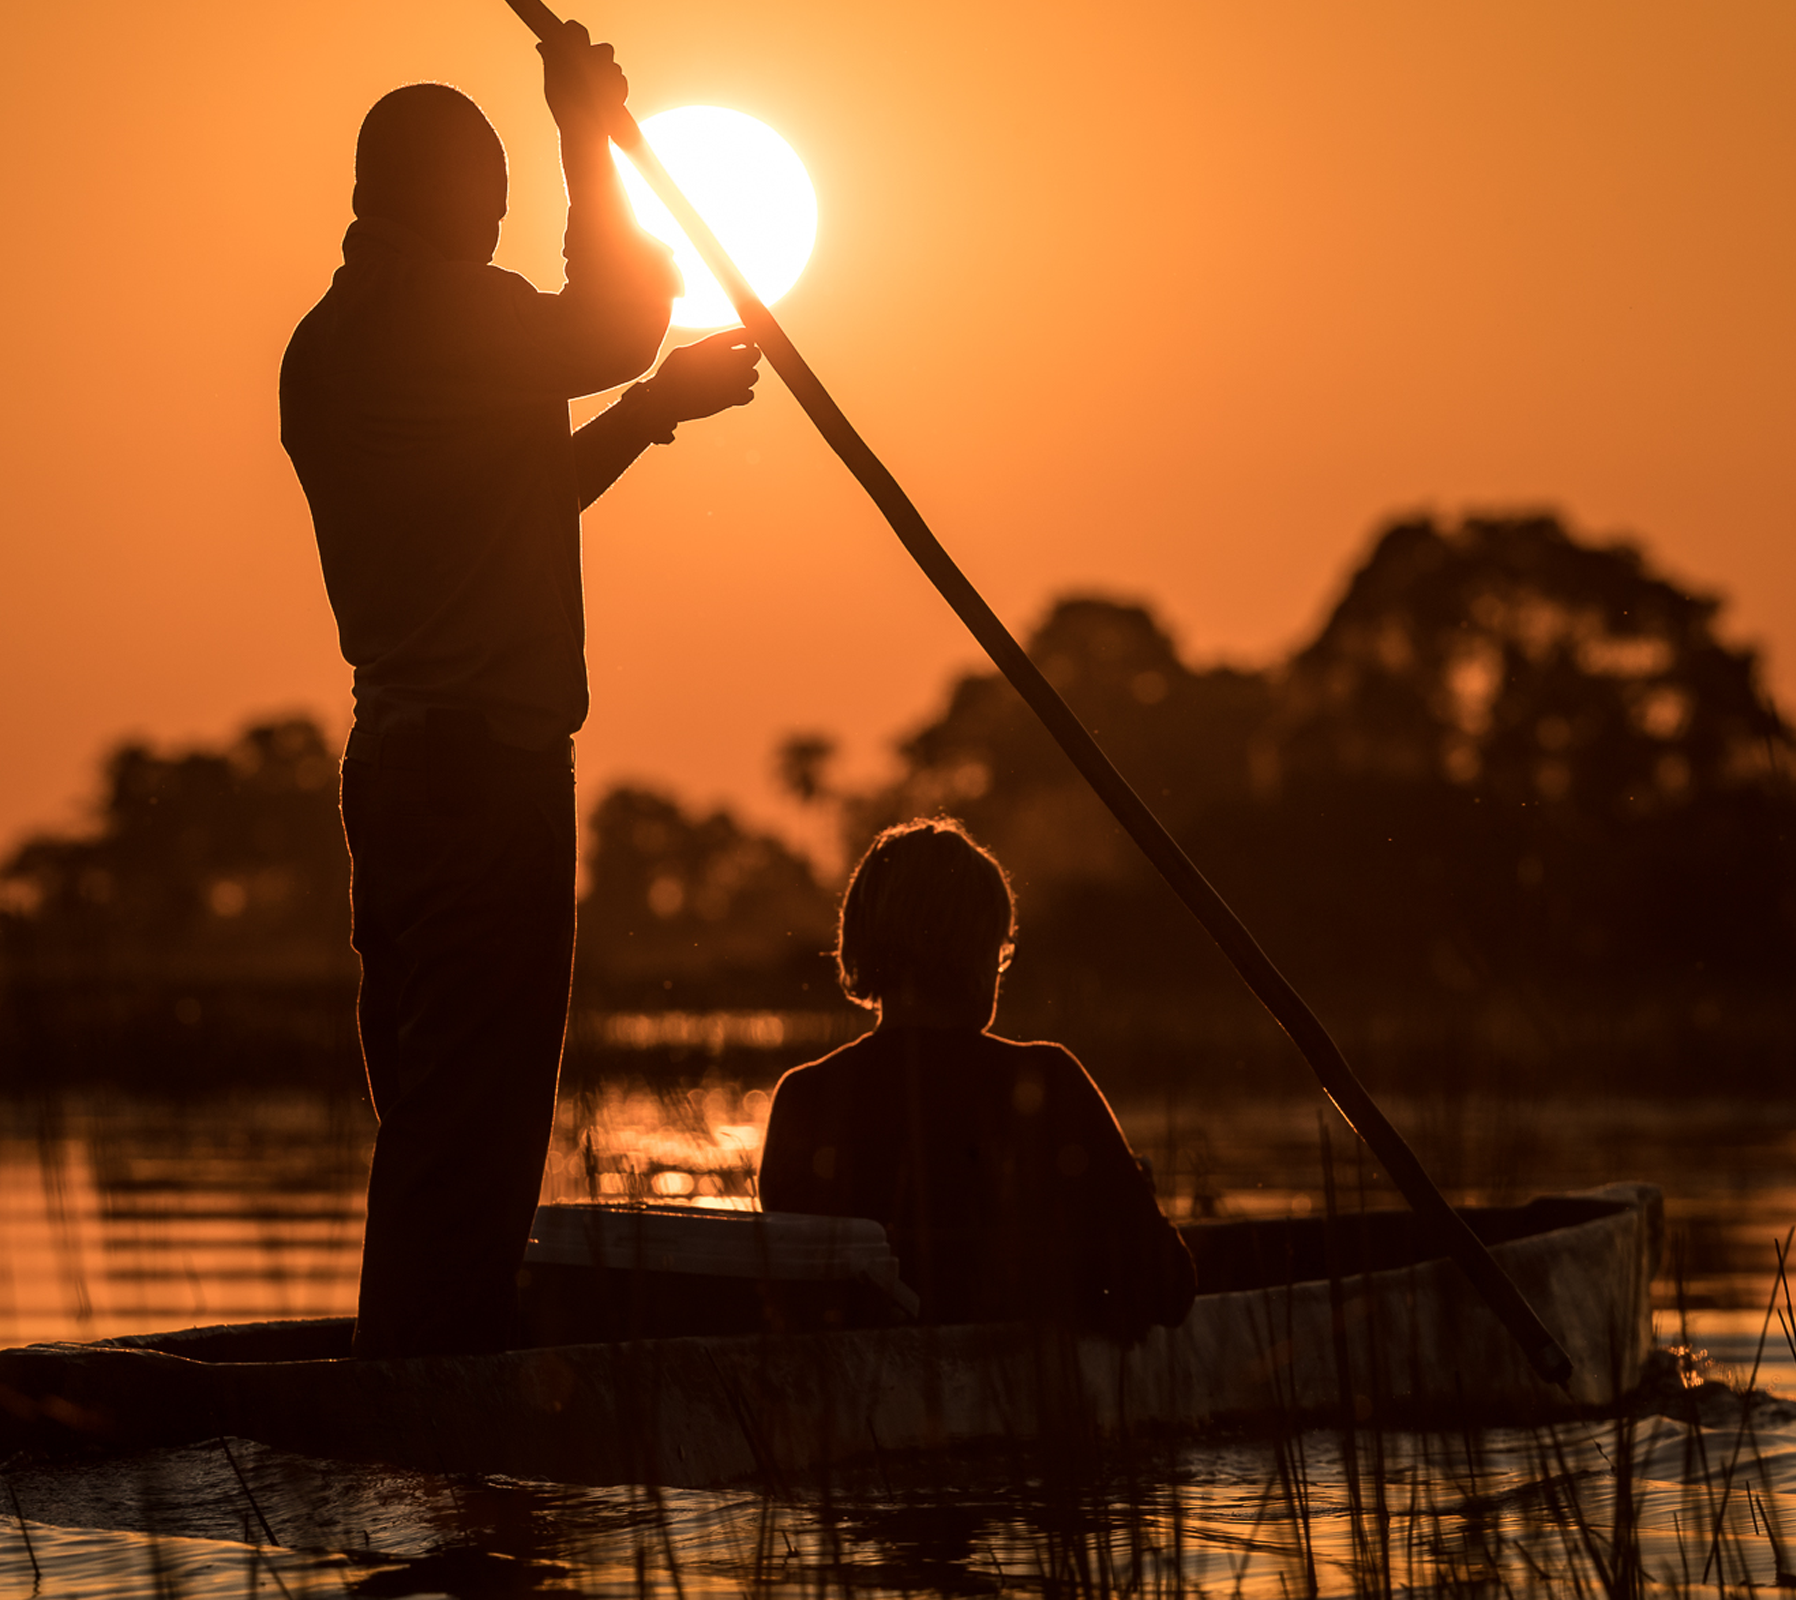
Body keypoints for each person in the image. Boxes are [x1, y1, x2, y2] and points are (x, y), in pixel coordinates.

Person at [279, 22, 762, 1359]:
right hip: (487, 773)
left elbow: (508, 501)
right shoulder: (452, 310)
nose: (503, 216)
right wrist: (584, 130)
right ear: (434, 192)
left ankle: (415, 1380)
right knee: (477, 1117)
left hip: (393, 766)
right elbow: (611, 314)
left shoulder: (330, 347)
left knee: (435, 1112)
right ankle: (437, 1406)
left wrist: (656, 412)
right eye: (489, 187)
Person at [758, 820, 1196, 1341]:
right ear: (981, 949)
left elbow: (792, 1297)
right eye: (999, 947)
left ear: (862, 944)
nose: (1000, 966)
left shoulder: (805, 1095)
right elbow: (1168, 1289)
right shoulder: (1046, 1080)